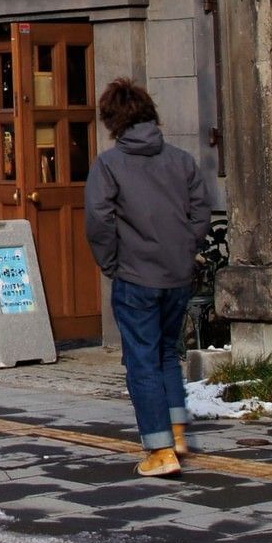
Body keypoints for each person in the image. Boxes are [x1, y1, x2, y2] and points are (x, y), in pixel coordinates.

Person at [84, 77, 211, 478]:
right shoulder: (181, 160)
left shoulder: (109, 164)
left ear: (112, 121)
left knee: (140, 359)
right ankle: (176, 430)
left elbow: (99, 221)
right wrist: (184, 250)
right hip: (177, 273)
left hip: (135, 274)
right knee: (166, 353)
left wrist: (111, 263)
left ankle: (159, 449)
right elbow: (200, 213)